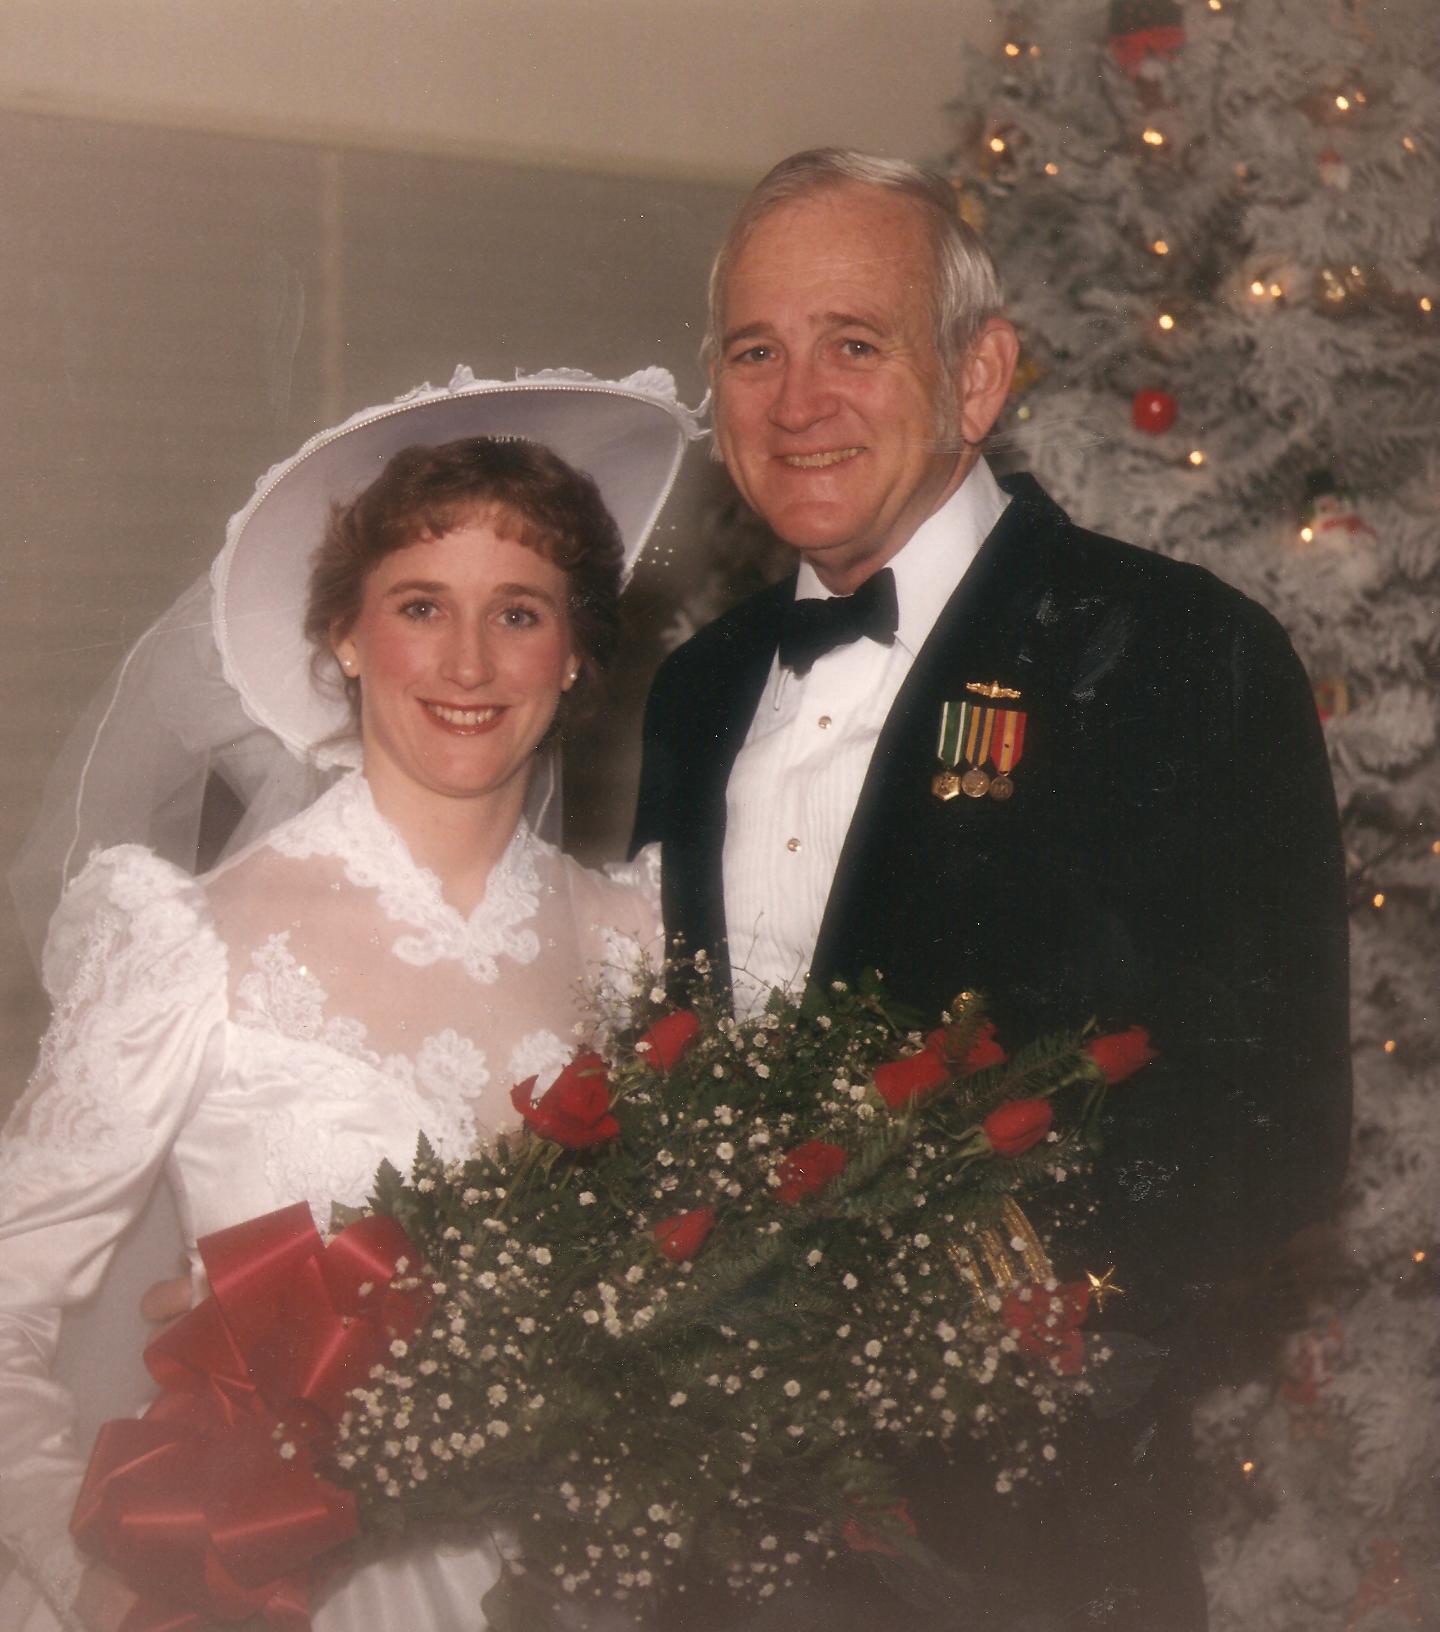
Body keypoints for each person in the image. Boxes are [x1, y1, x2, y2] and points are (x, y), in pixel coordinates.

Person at [632, 150, 1352, 1630]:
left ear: (979, 377)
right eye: (755, 352)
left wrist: (984, 1332)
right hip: (716, 1541)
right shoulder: (695, 692)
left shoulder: (1176, 653)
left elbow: (1272, 1125)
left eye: (854, 344)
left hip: (1035, 1539)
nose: (797, 400)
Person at [0, 365, 700, 1632]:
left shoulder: (640, 944)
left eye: (520, 612)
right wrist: (93, 1563)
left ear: (577, 653)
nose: (469, 662)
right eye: (421, 606)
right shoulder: (190, 941)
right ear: (343, 634)